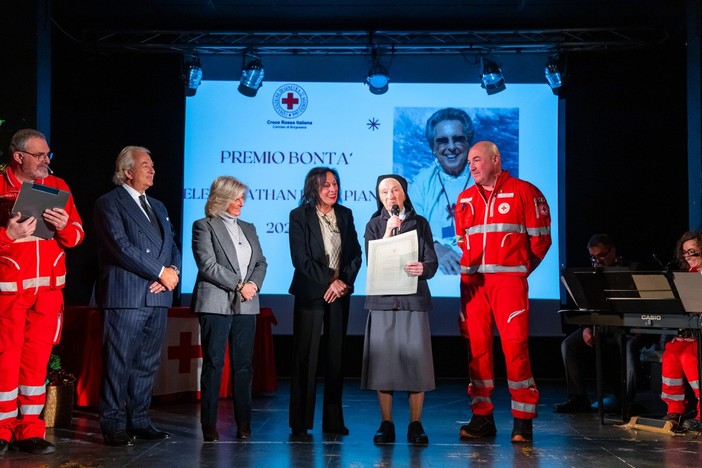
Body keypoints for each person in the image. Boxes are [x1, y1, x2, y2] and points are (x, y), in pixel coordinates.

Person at [455, 140, 551, 443]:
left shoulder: (525, 192)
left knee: (515, 349)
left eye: (477, 160)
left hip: (508, 283)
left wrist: (517, 269)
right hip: (473, 286)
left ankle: (523, 421)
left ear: (495, 160)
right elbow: (462, 241)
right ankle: (482, 418)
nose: (471, 166)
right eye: (469, 162)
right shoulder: (464, 198)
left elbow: (540, 242)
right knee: (477, 351)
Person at [0, 129, 84, 455]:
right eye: (39, 155)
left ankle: (30, 430)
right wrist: (6, 234)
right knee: (6, 361)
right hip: (10, 292)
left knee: (36, 364)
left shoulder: (58, 186)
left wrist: (64, 226)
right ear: (18, 156)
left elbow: (77, 236)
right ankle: (3, 430)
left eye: (48, 154)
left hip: (48, 292)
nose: (46, 160)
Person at [93, 146, 181, 447]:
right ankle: (113, 424)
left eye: (153, 165)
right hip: (126, 295)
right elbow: (120, 246)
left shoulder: (158, 205)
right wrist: (160, 272)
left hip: (157, 297)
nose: (152, 169)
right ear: (127, 171)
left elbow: (173, 246)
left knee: (146, 364)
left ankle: (140, 420)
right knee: (118, 363)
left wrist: (173, 273)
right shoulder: (109, 203)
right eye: (145, 165)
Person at [361, 174, 438, 445]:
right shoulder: (373, 225)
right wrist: (387, 233)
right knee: (384, 365)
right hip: (383, 303)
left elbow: (432, 261)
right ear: (379, 197)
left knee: (416, 364)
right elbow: (373, 261)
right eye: (384, 192)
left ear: (404, 193)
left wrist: (424, 268)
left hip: (412, 301)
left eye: (395, 190)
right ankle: (386, 423)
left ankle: (416, 424)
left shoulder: (420, 223)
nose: (390, 195)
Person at [191, 176, 267, 442]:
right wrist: (239, 285)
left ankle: (244, 424)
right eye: (237, 198)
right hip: (215, 302)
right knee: (214, 364)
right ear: (221, 198)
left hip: (247, 303)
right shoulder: (204, 226)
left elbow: (261, 262)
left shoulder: (249, 227)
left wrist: (252, 286)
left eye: (242, 197)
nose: (241, 203)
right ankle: (209, 425)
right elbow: (207, 265)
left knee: (244, 366)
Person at [288, 167, 362, 438]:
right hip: (311, 294)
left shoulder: (345, 214)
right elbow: (301, 259)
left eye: (335, 184)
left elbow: (355, 254)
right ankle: (300, 420)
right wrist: (330, 280)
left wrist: (343, 284)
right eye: (325, 185)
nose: (332, 189)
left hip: (339, 296)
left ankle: (333, 420)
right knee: (305, 358)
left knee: (335, 359)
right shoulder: (299, 216)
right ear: (313, 188)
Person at [554, 234, 652, 414]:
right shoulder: (592, 273)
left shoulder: (633, 269)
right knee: (568, 345)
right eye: (593, 257)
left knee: (629, 346)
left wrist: (638, 324)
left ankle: (626, 400)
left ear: (612, 250)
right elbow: (586, 304)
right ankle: (578, 397)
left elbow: (643, 302)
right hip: (599, 325)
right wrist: (585, 328)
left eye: (600, 256)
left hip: (626, 326)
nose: (597, 261)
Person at [409, 108, 475, 275]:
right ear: (433, 147)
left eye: (458, 139)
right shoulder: (421, 183)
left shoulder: (488, 181)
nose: (451, 147)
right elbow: (409, 230)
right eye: (443, 141)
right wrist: (436, 249)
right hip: (436, 270)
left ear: (469, 144)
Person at [659, 231, 701, 432]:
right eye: (685, 253)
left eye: (693, 252)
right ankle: (675, 409)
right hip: (693, 332)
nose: (688, 257)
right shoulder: (687, 277)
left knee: (689, 357)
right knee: (671, 352)